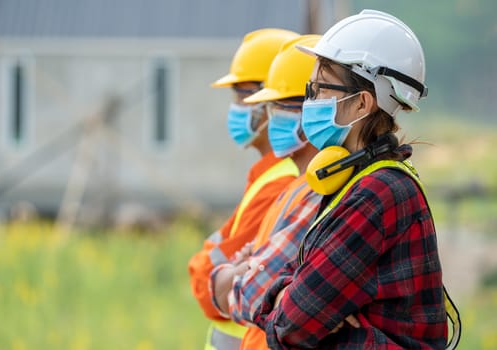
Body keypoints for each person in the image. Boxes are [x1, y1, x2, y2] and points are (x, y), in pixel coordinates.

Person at [253, 10, 456, 349]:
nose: (310, 101)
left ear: (362, 103)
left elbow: (290, 326)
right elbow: (290, 303)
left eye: (319, 88)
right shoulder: (354, 181)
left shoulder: (377, 194)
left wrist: (299, 307)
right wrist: (293, 300)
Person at [209, 34, 324, 350]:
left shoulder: (305, 187)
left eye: (279, 106)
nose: (242, 108)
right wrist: (245, 270)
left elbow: (240, 289)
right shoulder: (293, 184)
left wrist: (241, 270)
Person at [187, 28, 300, 350]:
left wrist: (210, 269)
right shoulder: (266, 176)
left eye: (241, 94)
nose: (235, 107)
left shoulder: (281, 183)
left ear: (269, 101)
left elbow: (207, 287)